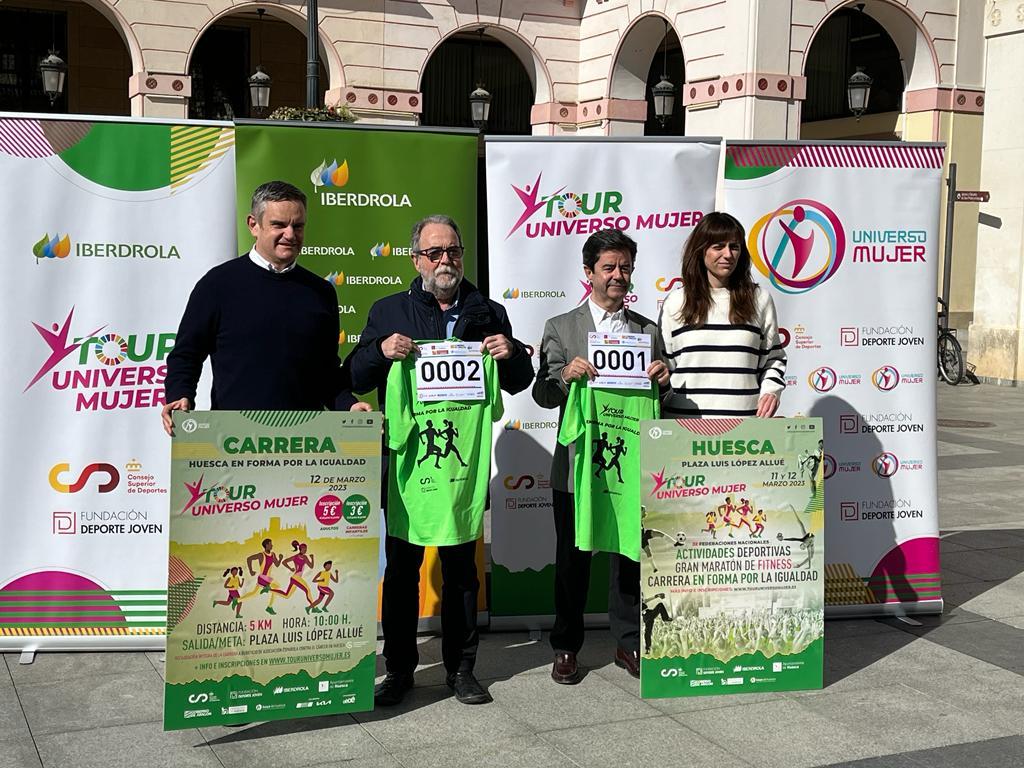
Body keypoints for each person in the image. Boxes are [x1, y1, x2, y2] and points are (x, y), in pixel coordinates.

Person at [344, 214, 533, 706]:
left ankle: (462, 670)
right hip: (407, 465)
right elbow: (355, 375)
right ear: (416, 259)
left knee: (463, 574)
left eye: (452, 251)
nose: (445, 261)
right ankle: (400, 670)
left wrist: (509, 352)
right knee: (403, 573)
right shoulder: (388, 311)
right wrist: (381, 352)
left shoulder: (488, 311)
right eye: (434, 253)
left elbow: (517, 381)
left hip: (460, 469)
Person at [532, 228, 669, 685]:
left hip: (630, 465)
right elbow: (543, 395)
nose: (618, 276)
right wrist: (565, 376)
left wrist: (663, 378)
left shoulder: (648, 331)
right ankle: (566, 647)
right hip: (575, 469)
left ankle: (628, 642)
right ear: (588, 273)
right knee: (572, 560)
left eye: (625, 268)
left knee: (630, 556)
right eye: (608, 268)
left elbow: (659, 402)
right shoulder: (561, 327)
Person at [161, 180, 368, 435]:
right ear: (253, 225)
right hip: (234, 443)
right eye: (279, 225)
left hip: (305, 444)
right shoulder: (218, 284)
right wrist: (180, 395)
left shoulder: (321, 292)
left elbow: (325, 372)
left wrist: (348, 405)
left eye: (298, 226)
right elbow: (187, 354)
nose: (290, 235)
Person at [658, 211, 786, 419]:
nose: (728, 254)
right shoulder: (676, 302)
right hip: (683, 431)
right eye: (718, 246)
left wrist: (771, 391)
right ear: (701, 251)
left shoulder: (759, 299)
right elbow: (665, 368)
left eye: (734, 247)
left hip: (744, 432)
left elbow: (773, 359)